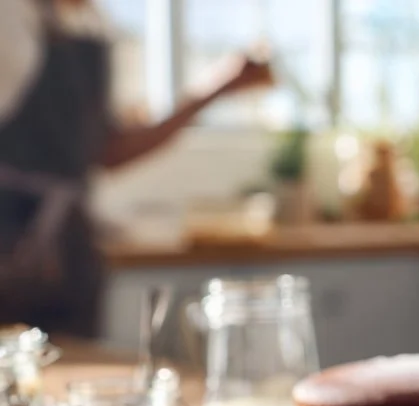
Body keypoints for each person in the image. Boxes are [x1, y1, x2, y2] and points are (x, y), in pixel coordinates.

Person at [0, 0, 272, 339]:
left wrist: (216, 89)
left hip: (70, 251)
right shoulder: (10, 16)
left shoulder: (91, 23)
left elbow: (108, 149)